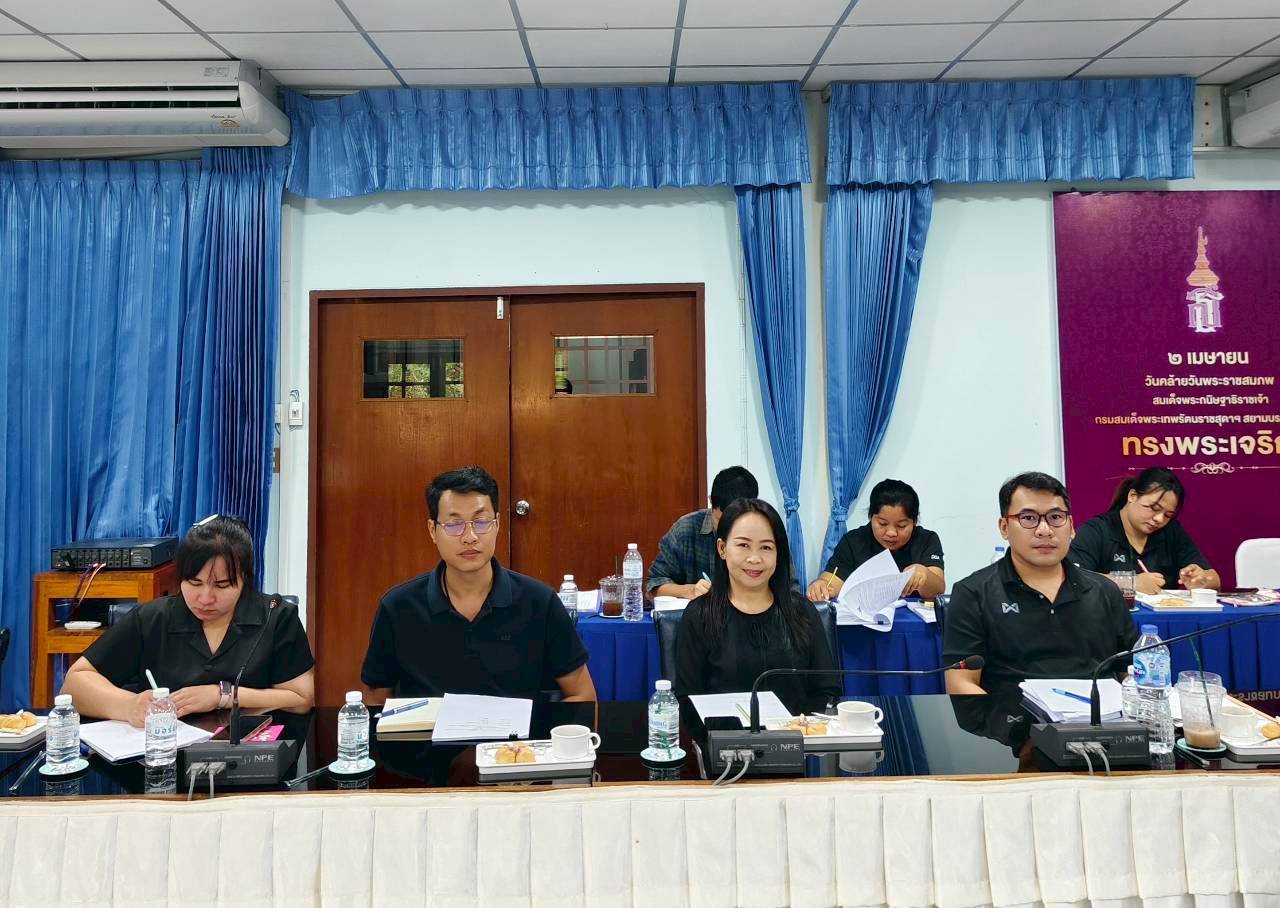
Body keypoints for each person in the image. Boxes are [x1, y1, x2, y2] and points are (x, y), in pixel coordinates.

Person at [361, 466, 596, 702]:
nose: (470, 537)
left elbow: (583, 695)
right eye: (454, 525)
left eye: (481, 522)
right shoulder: (398, 607)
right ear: (432, 530)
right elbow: (375, 701)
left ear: (497, 524)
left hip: (517, 728)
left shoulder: (540, 602)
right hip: (427, 728)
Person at [62, 516, 315, 726]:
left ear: (245, 581)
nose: (205, 598)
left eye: (222, 585)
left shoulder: (275, 616)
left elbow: (302, 699)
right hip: (164, 757)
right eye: (194, 583)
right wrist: (129, 706)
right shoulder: (153, 618)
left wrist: (222, 695)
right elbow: (74, 684)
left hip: (252, 758)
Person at [943, 472, 1138, 695]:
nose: (1044, 530)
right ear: (1004, 527)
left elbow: (1130, 671)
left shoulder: (1104, 590)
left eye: (1055, 517)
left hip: (1099, 713)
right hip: (1012, 714)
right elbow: (961, 682)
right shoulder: (973, 593)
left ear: (1071, 526)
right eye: (1028, 518)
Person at [675, 498, 841, 715]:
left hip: (797, 734)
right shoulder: (700, 615)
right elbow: (688, 700)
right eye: (743, 545)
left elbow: (827, 691)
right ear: (722, 548)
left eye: (766, 547)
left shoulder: (802, 611)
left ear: (778, 553)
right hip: (724, 735)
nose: (755, 558)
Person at [1069, 467, 1219, 595]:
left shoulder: (1172, 532)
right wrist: (1130, 583)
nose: (1159, 519)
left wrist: (1202, 579)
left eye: (1168, 515)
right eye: (1153, 508)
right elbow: (1071, 578)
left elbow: (1215, 580)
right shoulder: (1096, 531)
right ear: (1132, 496)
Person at [806, 478, 945, 601]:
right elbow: (831, 583)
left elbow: (938, 589)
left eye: (901, 526)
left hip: (913, 621)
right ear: (871, 517)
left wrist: (924, 574)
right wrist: (820, 586)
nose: (891, 533)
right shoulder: (853, 541)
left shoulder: (927, 540)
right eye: (882, 524)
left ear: (914, 522)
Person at [649, 466, 759, 599]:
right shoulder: (686, 529)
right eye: (722, 521)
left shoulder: (765, 533)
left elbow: (783, 587)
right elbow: (654, 585)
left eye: (737, 523)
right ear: (711, 501)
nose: (729, 530)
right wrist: (689, 591)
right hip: (701, 611)